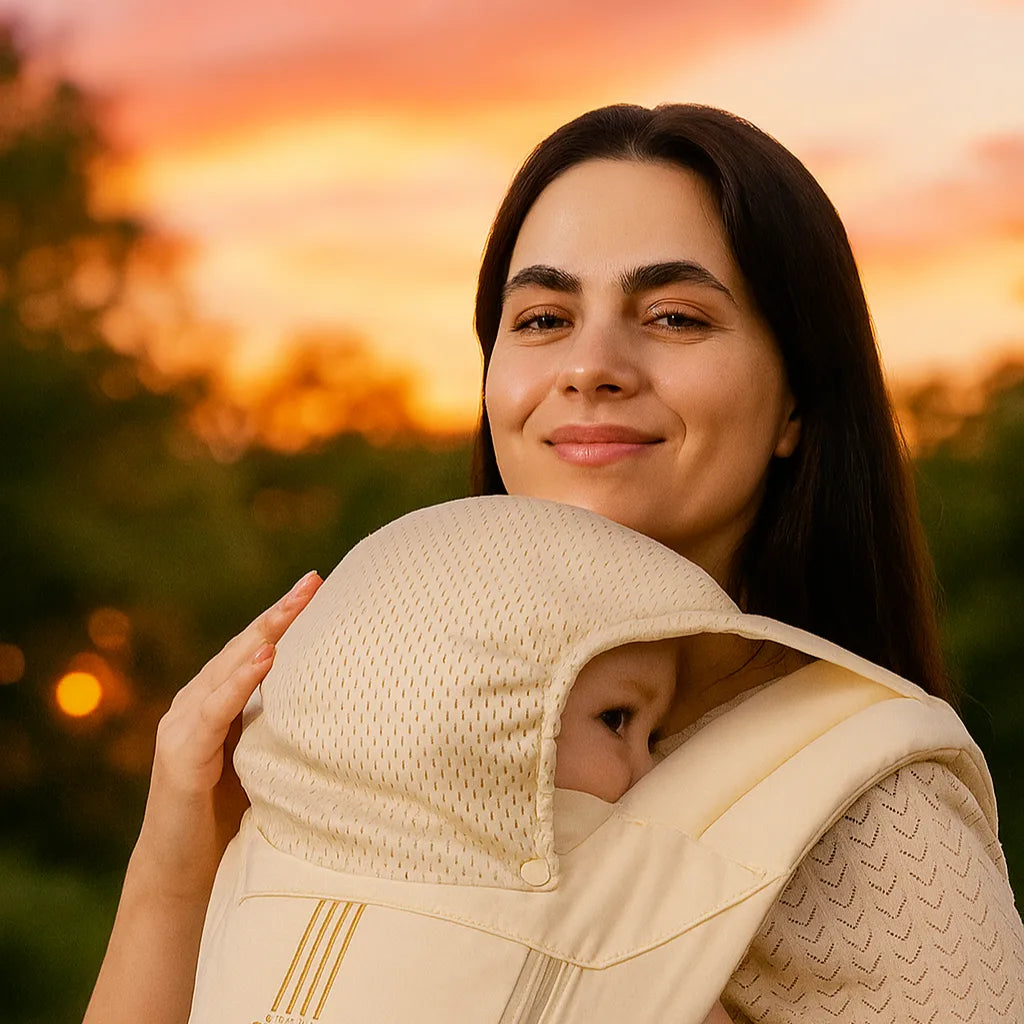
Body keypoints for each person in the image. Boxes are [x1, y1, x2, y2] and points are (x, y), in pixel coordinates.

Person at [85, 103, 1024, 1023]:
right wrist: (177, 853)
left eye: (674, 317)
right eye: (541, 319)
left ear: (795, 406)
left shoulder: (869, 809)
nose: (593, 365)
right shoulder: (351, 727)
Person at [187, 495, 738, 1023]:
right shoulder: (262, 866)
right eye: (617, 720)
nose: (649, 772)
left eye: (655, 735)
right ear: (475, 710)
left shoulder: (629, 921)